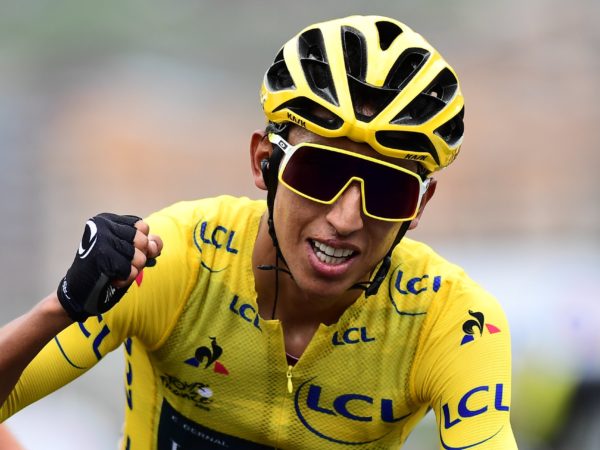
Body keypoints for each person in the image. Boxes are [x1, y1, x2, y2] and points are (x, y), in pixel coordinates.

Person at [0, 15, 517, 449]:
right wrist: (62, 307)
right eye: (320, 174)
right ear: (264, 162)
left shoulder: (449, 319)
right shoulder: (176, 257)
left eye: (387, 190)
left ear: (420, 204)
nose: (345, 220)